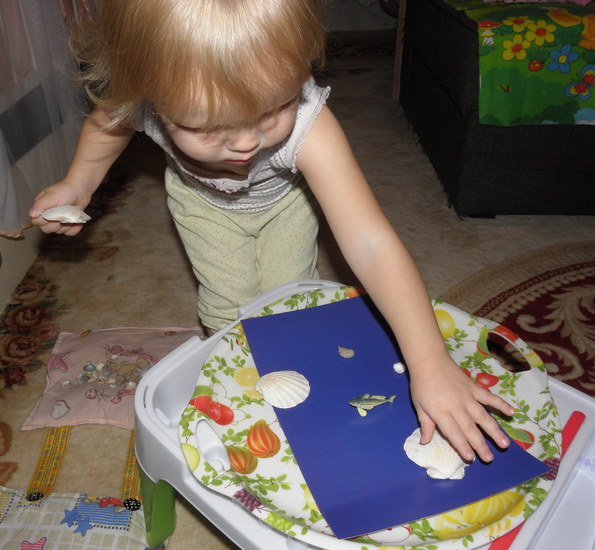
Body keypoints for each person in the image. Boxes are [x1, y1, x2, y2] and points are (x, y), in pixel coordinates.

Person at [29, 0, 515, 462]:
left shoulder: (309, 126)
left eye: (272, 109)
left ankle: (292, 378)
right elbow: (107, 125)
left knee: (290, 297)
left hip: (286, 202)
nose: (245, 143)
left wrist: (430, 363)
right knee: (228, 305)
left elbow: (371, 243)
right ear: (148, 95)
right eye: (207, 127)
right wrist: (78, 183)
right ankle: (241, 390)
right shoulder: (144, 98)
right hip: (203, 206)